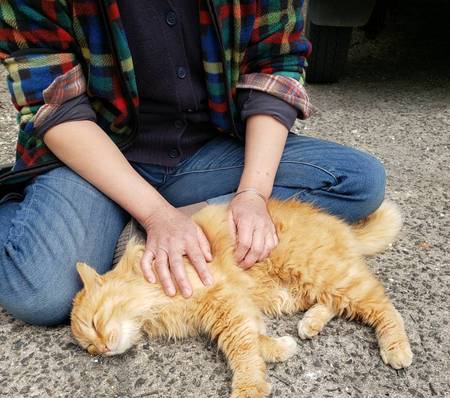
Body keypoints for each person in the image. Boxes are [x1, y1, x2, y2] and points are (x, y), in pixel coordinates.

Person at [0, 1, 386, 326]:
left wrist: (253, 194)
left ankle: (151, 227)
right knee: (40, 294)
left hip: (205, 150)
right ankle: (52, 212)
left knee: (357, 182)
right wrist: (155, 215)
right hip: (97, 161)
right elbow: (55, 108)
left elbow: (276, 63)